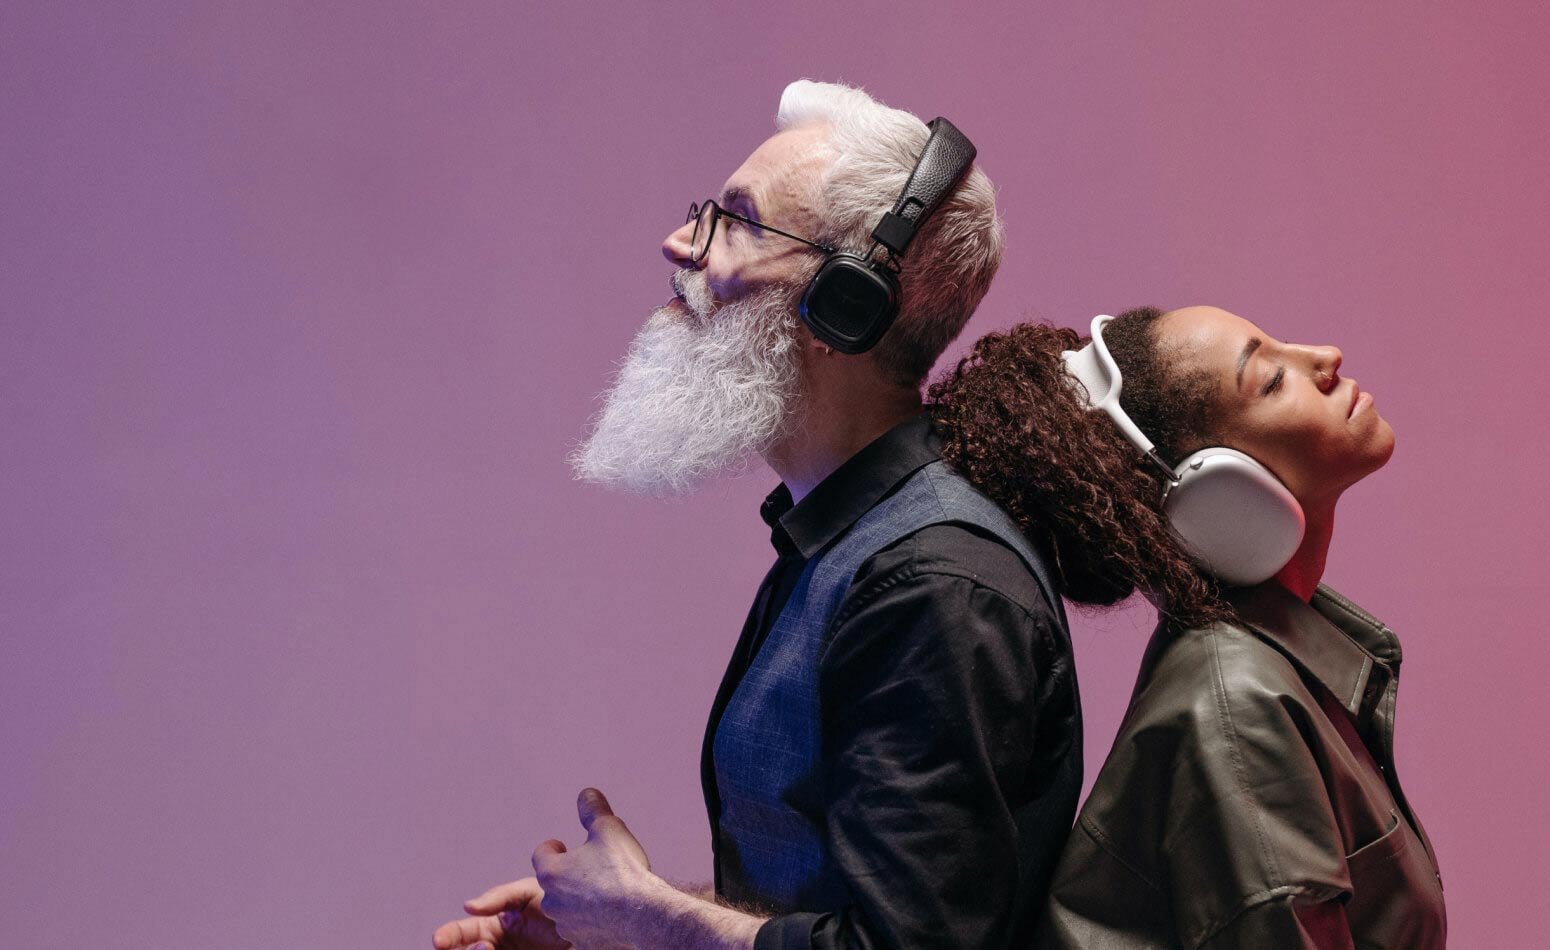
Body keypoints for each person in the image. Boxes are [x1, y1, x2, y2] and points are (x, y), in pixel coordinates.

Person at [430, 81, 1081, 950]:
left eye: (737, 222)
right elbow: (836, 897)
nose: (679, 243)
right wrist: (614, 929)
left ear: (843, 304)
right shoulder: (851, 544)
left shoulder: (932, 586)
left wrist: (645, 916)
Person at [926, 306, 1446, 949]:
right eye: (1270, 379)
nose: (1324, 357)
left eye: (1282, 346)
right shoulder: (1239, 706)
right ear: (1220, 491)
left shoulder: (1269, 666)